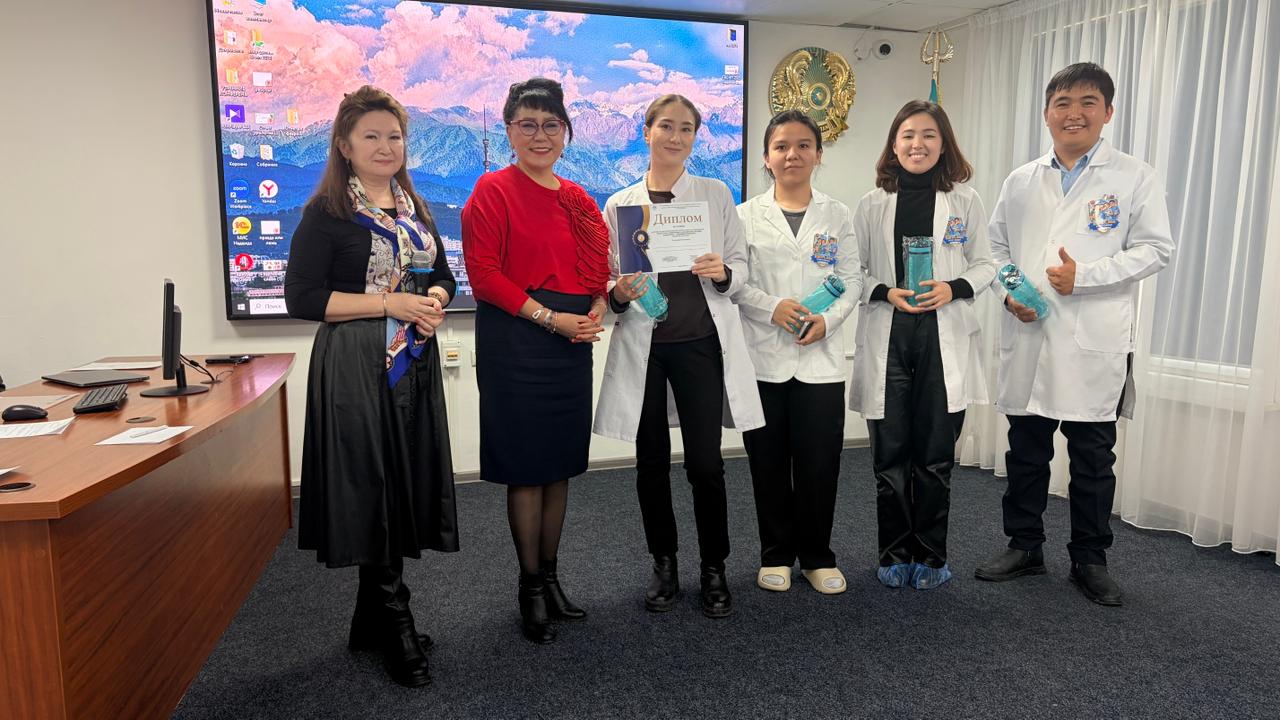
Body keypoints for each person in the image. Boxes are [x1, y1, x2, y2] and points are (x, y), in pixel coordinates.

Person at [974, 63, 1173, 606]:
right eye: (1062, 103)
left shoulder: (1133, 176)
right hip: (1030, 332)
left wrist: (1085, 276)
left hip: (1094, 342)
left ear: (1108, 112)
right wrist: (1010, 293)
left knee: (1092, 460)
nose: (1074, 113)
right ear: (1047, 114)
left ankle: (1090, 558)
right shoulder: (1021, 179)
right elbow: (995, 250)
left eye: (1088, 102)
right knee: (1026, 452)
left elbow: (1156, 249)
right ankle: (1025, 546)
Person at [285, 85, 457, 688]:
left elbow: (442, 275)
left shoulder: (415, 207)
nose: (386, 146)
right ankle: (396, 620)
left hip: (412, 360)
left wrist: (433, 300)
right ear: (344, 145)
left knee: (399, 477)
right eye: (372, 136)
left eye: (395, 136)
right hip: (356, 364)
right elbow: (302, 298)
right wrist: (389, 303)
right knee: (373, 481)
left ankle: (369, 621)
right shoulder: (326, 214)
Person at [594, 94, 764, 619]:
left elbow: (741, 266)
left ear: (695, 136)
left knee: (706, 464)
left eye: (686, 128)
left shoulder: (714, 195)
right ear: (646, 131)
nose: (675, 136)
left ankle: (714, 567)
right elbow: (607, 279)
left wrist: (723, 272)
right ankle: (663, 563)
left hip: (699, 345)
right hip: (646, 349)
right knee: (650, 464)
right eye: (665, 126)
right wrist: (619, 291)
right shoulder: (620, 205)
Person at [460, 77, 610, 644]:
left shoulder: (578, 199)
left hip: (570, 344)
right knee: (526, 468)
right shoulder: (492, 190)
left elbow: (596, 270)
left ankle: (550, 578)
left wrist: (596, 305)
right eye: (528, 124)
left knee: (559, 464)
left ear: (565, 132)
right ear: (509, 131)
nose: (540, 135)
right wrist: (551, 319)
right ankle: (528, 587)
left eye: (551, 124)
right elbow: (484, 276)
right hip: (517, 341)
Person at [849, 100, 996, 591]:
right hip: (889, 333)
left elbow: (986, 264)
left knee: (935, 457)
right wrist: (884, 291)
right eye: (908, 135)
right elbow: (853, 270)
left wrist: (953, 288)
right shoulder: (872, 204)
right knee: (890, 457)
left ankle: (931, 556)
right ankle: (893, 553)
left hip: (942, 334)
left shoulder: (965, 201)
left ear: (944, 143)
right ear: (894, 145)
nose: (918, 144)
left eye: (929, 135)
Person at [735, 110, 861, 595]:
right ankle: (775, 555)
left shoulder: (837, 214)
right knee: (767, 464)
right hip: (764, 359)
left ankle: (817, 557)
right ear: (767, 157)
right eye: (782, 146)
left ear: (818, 155)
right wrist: (774, 308)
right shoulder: (745, 216)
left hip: (820, 361)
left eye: (804, 145)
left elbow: (852, 279)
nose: (793, 154)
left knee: (819, 464)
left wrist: (828, 321)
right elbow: (735, 283)